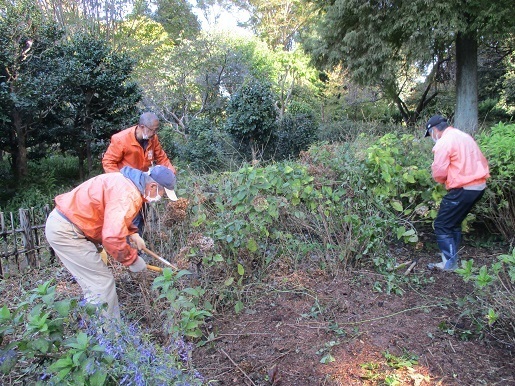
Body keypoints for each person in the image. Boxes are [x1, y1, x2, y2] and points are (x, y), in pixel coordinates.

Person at [45, 165, 178, 319]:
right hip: (68, 231)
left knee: (94, 285)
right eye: (162, 193)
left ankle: (95, 327)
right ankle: (110, 336)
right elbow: (112, 237)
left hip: (72, 224)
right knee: (101, 284)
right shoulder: (128, 194)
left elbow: (113, 213)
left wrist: (132, 233)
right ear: (153, 186)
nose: (160, 198)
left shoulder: (127, 183)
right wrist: (132, 260)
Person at [424, 115, 490, 271]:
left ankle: (449, 263)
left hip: (463, 187)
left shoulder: (444, 142)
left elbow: (439, 173)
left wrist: (443, 180)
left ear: (433, 130)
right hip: (478, 186)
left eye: (430, 134)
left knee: (442, 224)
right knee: (453, 223)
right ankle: (452, 259)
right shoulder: (464, 136)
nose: (431, 138)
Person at [102, 112, 177, 234]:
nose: (154, 133)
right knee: (131, 220)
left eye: (156, 130)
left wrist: (171, 174)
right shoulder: (121, 139)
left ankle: (138, 246)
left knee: (142, 217)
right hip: (128, 186)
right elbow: (108, 162)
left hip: (146, 184)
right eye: (152, 130)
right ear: (142, 126)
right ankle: (129, 248)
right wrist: (121, 182)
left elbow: (162, 157)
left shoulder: (152, 139)